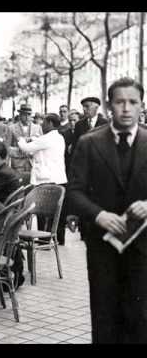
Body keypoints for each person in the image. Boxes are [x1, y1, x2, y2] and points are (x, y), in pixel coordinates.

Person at [68, 77, 147, 343]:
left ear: (141, 105)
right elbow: (74, 192)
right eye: (120, 102)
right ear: (110, 106)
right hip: (102, 246)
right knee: (104, 318)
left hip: (143, 248)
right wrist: (98, 214)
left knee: (140, 320)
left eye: (132, 102)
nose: (126, 108)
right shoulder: (89, 144)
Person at [17, 113, 68, 245]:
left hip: (46, 178)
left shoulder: (47, 138)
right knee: (56, 210)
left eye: (44, 123)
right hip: (58, 177)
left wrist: (21, 139)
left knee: (43, 211)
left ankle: (43, 239)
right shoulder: (59, 137)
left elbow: (26, 148)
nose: (41, 125)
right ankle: (57, 238)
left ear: (50, 123)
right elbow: (38, 150)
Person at [9, 104, 43, 179]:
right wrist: (19, 150)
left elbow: (41, 146)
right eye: (24, 114)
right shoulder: (11, 128)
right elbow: (7, 147)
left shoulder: (37, 128)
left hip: (33, 163)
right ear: (20, 115)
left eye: (29, 114)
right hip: (18, 164)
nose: (27, 117)